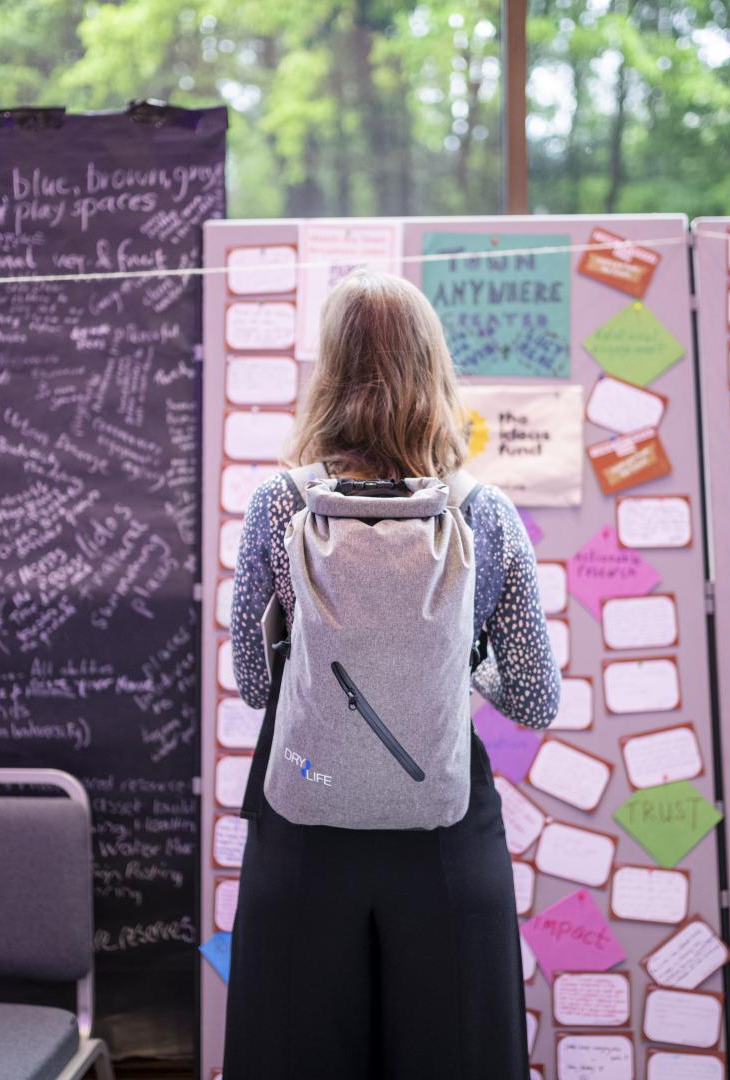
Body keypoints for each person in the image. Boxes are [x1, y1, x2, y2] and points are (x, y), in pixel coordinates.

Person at [222, 268, 561, 1080]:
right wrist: (456, 666)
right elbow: (538, 698)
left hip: (305, 820)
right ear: (432, 371)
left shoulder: (280, 504)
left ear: (328, 374)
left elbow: (257, 684)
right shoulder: (483, 513)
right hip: (443, 838)